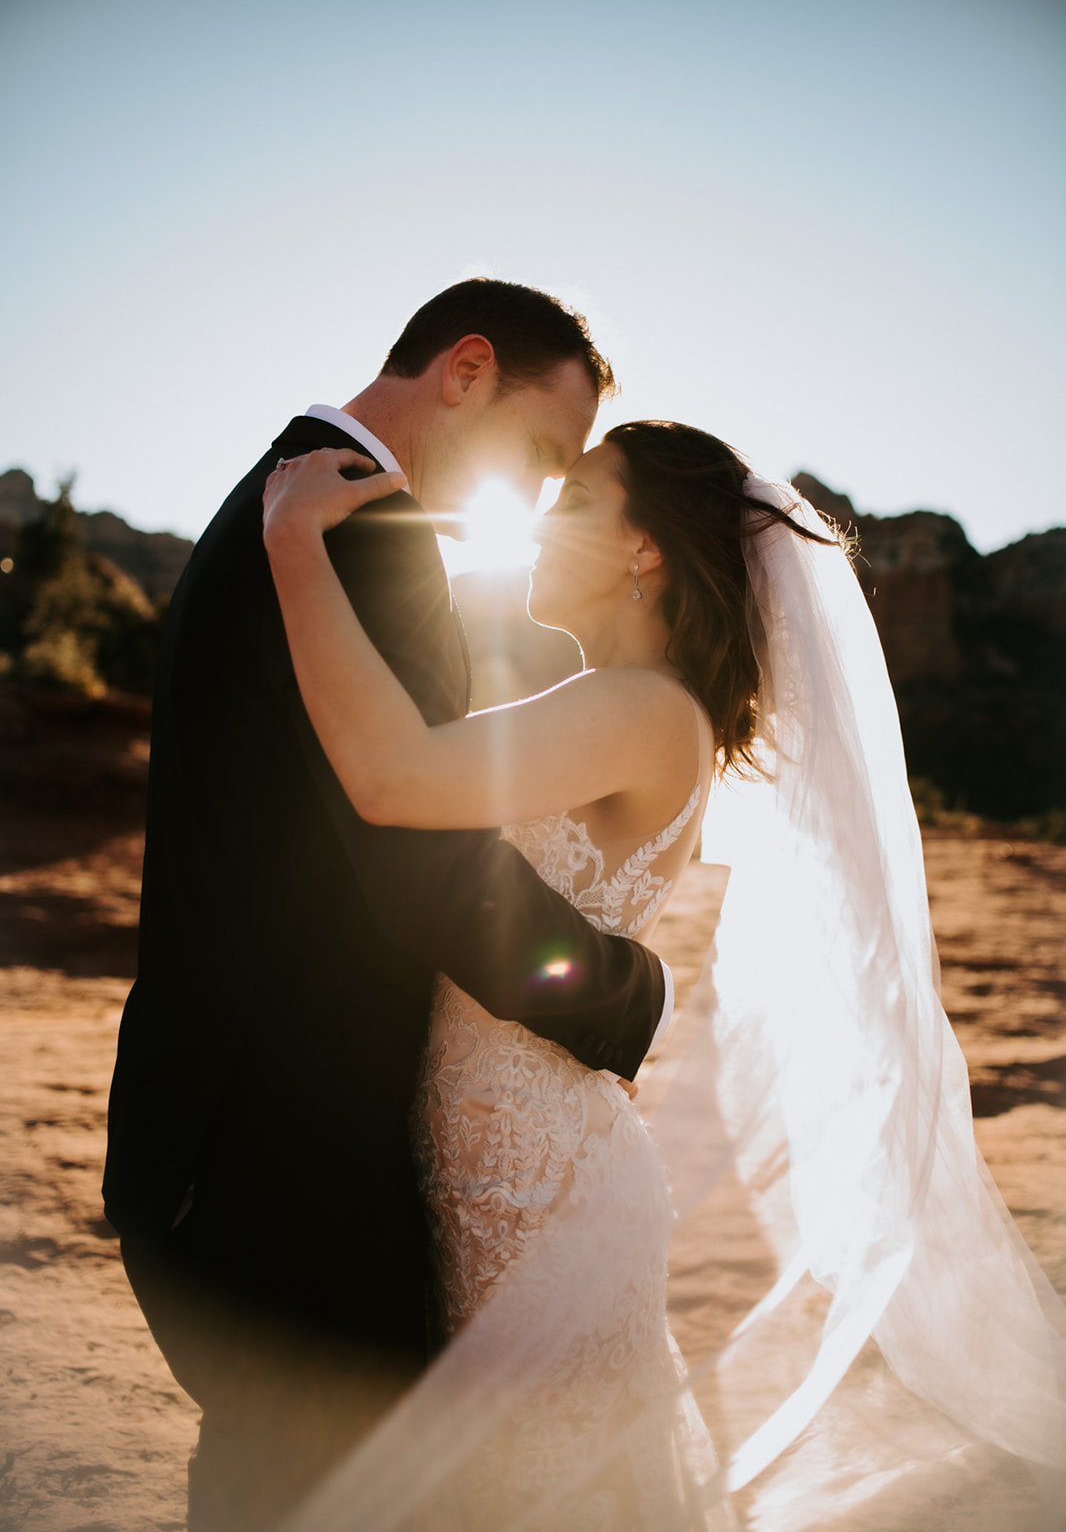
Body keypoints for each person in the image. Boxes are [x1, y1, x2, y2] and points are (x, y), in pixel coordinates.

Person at [263, 424, 1066, 1531]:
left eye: (578, 498)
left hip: (534, 1184)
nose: (542, 519)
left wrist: (290, 537)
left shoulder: (640, 709)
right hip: (522, 1160)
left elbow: (394, 775)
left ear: (645, 552)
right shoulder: (628, 703)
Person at [102, 280, 672, 1532]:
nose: (532, 497)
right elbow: (423, 860)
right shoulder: (363, 535)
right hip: (282, 1151)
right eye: (539, 453)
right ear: (464, 368)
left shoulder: (295, 497)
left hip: (229, 1126)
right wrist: (631, 991)